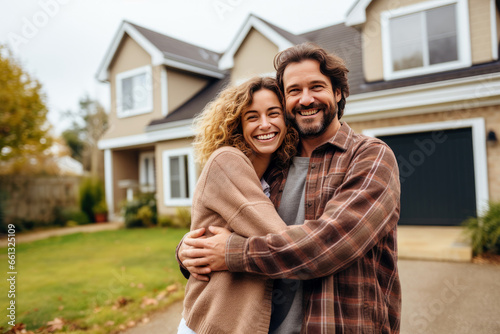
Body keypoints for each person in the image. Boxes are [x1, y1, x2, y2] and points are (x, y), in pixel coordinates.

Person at [179, 43, 402, 333]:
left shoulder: (369, 156)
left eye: (317, 87)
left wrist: (232, 253)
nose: (306, 99)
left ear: (337, 92)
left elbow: (330, 245)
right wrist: (188, 250)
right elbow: (221, 225)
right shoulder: (273, 165)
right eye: (294, 90)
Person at [177, 76, 298, 334]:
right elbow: (281, 240)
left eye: (273, 114)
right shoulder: (227, 160)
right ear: (237, 125)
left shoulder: (271, 175)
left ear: (286, 120)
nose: (265, 124)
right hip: (212, 325)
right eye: (252, 117)